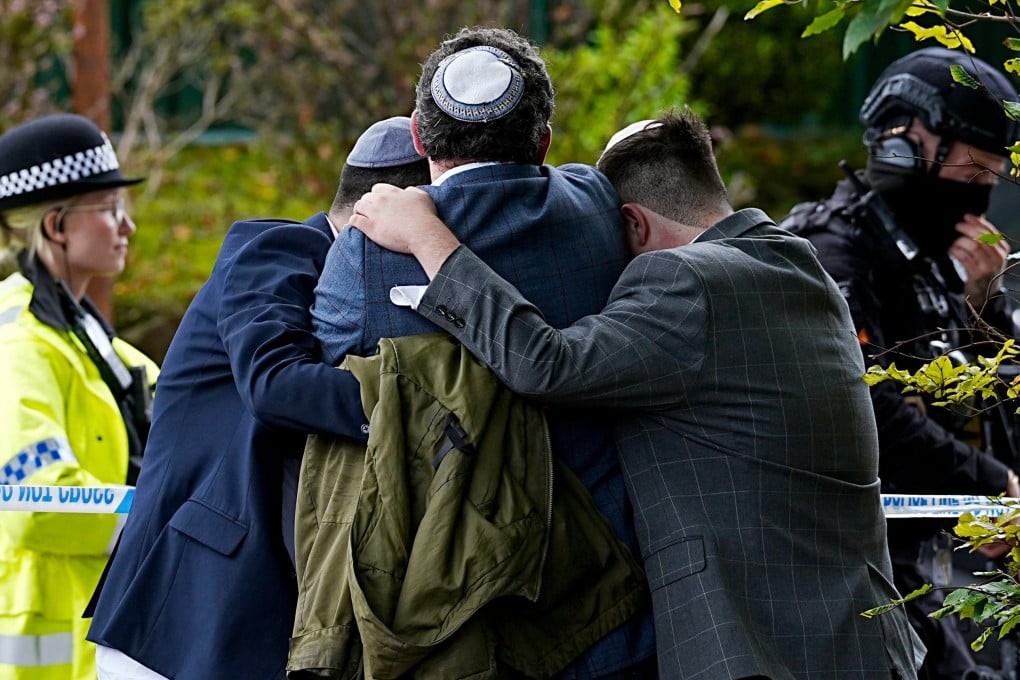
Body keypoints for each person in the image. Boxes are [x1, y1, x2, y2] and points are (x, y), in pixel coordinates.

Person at [347, 108, 924, 679]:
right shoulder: (795, 263)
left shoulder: (686, 281)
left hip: (759, 654)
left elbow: (545, 364)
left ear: (634, 225)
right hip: (864, 644)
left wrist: (427, 237)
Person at [309, 26, 656, 677]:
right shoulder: (594, 205)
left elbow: (337, 359)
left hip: (455, 612)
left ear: (418, 137)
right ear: (543, 141)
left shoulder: (367, 251)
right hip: (607, 604)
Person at [84, 117, 431, 680]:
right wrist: (422, 407)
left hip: (230, 622)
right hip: (183, 615)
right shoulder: (278, 247)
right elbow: (276, 382)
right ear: (384, 208)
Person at [777, 47, 1019, 679]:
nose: (979, 199)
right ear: (900, 142)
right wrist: (986, 484)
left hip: (945, 575)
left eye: (991, 180)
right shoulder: (829, 258)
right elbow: (859, 406)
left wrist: (986, 308)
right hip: (865, 586)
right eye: (970, 173)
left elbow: (989, 402)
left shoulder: (933, 260)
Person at [0, 114, 158, 680]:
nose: (127, 226)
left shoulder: (91, 342)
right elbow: (35, 502)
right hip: (46, 654)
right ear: (58, 225)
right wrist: (161, 516)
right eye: (110, 209)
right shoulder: (21, 345)